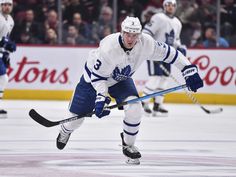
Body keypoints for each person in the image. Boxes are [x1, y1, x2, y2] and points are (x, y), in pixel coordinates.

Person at [56, 16, 203, 165]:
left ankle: (128, 145)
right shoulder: (109, 48)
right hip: (92, 81)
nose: (131, 39)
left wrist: (188, 69)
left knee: (135, 109)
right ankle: (65, 131)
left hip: (121, 80)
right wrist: (101, 98)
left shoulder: (146, 43)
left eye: (134, 35)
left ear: (139, 34)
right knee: (75, 120)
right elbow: (99, 78)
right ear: (122, 32)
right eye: (127, 34)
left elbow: (170, 54)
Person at [141, 0, 187, 117]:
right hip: (155, 53)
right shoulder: (158, 17)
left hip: (168, 55)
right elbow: (146, 33)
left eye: (173, 5)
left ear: (175, 7)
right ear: (164, 6)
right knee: (155, 77)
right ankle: (144, 103)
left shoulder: (177, 22)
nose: (170, 7)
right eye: (168, 5)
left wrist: (180, 47)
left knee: (164, 79)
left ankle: (158, 105)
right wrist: (150, 49)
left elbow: (175, 40)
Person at [0, 0, 16, 117]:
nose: (7, 7)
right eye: (4, 4)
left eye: (9, 4)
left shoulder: (10, 20)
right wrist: (4, 42)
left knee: (3, 79)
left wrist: (7, 52)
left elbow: (4, 39)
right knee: (3, 78)